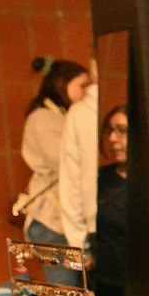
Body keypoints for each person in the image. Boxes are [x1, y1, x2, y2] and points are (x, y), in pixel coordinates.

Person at [14, 57, 95, 252]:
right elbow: (66, 163)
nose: (89, 91)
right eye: (83, 85)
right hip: (51, 222)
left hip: (64, 219)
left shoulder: (63, 116)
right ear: (62, 85)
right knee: (65, 284)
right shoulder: (43, 119)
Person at [92, 105, 130, 296]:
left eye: (123, 131)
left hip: (138, 295)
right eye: (110, 131)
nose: (113, 139)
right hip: (103, 291)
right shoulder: (99, 180)